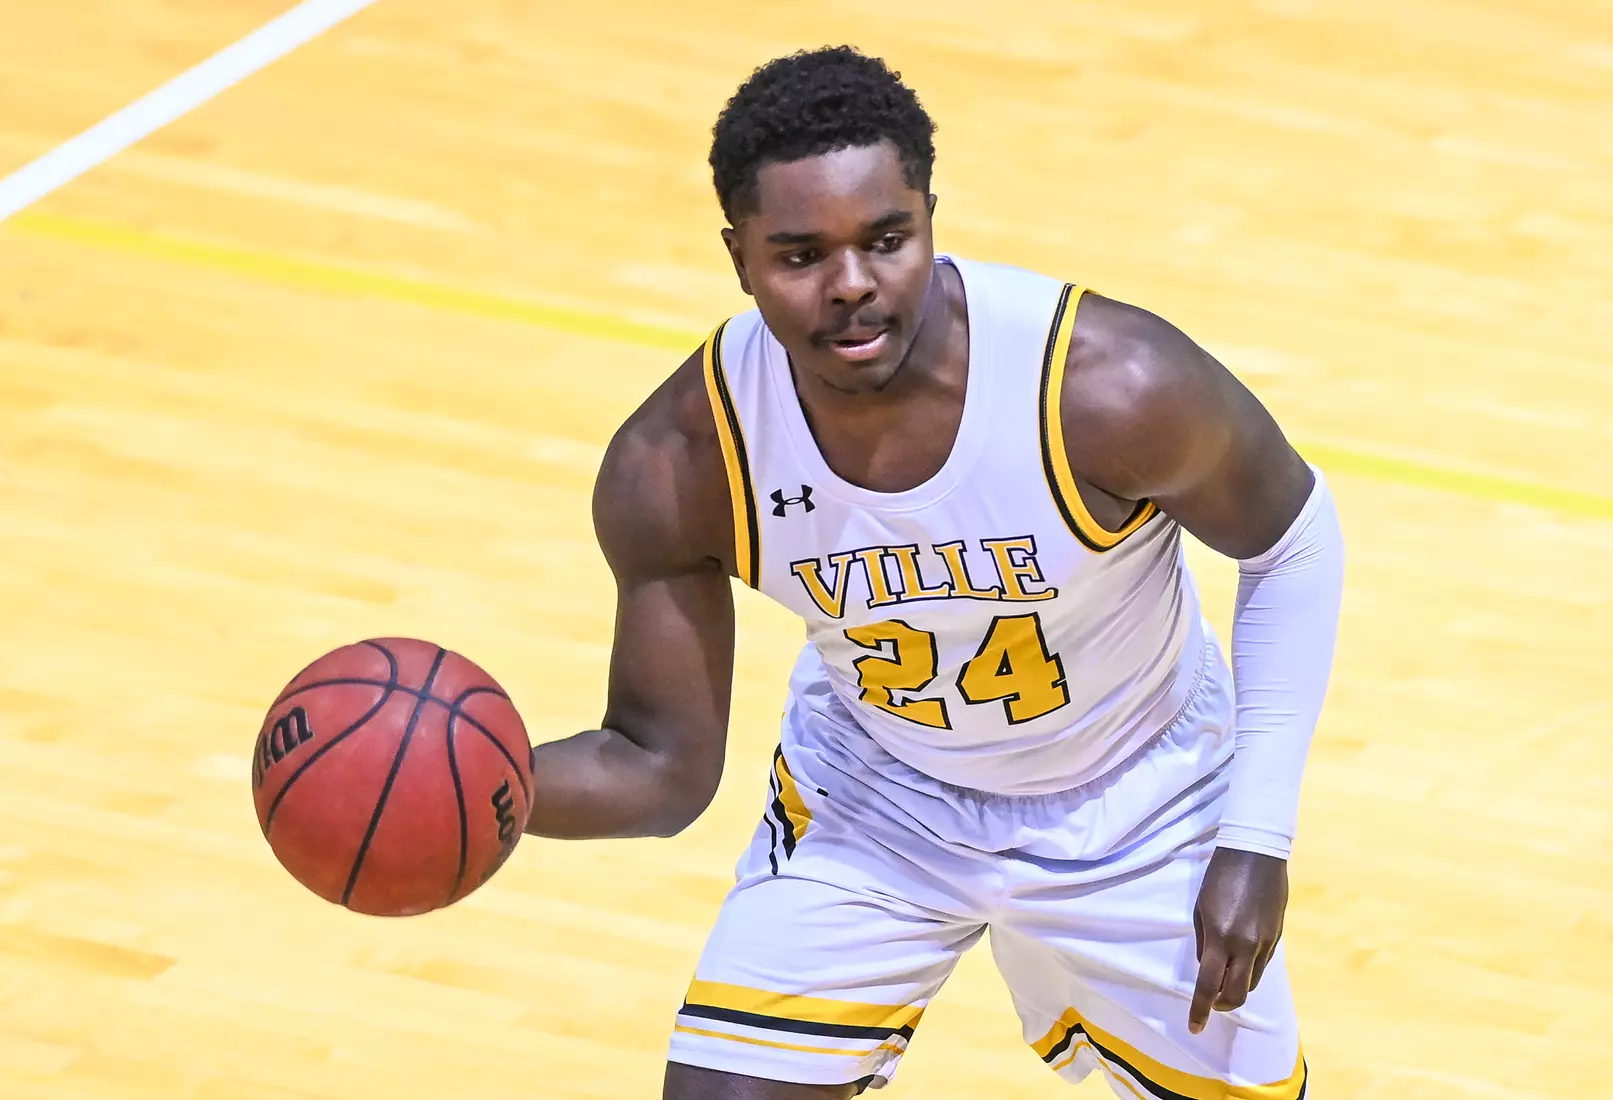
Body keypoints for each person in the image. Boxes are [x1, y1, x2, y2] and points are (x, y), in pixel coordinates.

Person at [525, 45, 1343, 1100]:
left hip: (1135, 796)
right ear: (737, 257)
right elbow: (662, 770)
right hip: (880, 800)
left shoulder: (1102, 385)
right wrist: (478, 787)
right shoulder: (681, 459)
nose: (851, 285)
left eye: (884, 239)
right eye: (799, 255)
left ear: (928, 217)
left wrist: (1256, 835)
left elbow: (1293, 540)